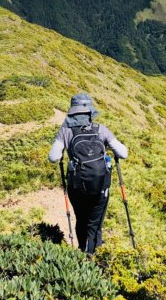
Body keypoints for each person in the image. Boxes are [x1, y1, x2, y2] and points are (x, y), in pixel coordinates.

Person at [49, 93, 128, 255]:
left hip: (76, 187)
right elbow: (123, 153)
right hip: (101, 186)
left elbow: (54, 157)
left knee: (82, 219)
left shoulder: (66, 130)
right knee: (95, 223)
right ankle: (95, 253)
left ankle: (82, 249)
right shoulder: (101, 129)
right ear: (90, 112)